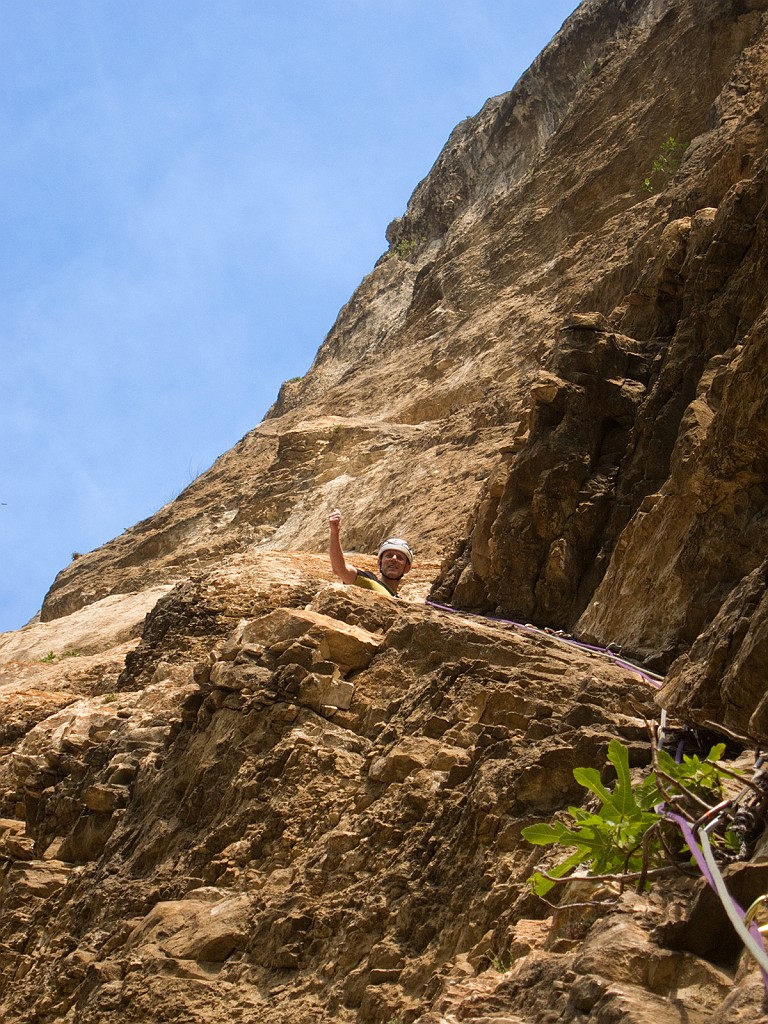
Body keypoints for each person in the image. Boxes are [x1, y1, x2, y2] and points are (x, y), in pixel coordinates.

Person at [328, 507, 413, 598]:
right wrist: (335, 532)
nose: (394, 559)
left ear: (407, 568)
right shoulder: (368, 581)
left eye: (400, 557)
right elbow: (340, 569)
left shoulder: (401, 602)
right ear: (379, 562)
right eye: (389, 555)